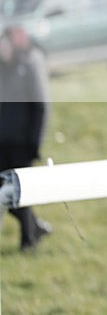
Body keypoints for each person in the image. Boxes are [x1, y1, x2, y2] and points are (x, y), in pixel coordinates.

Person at [0, 25, 52, 251]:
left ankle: (29, 240)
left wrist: (35, 144)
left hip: (22, 144)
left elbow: (41, 107)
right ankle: (35, 228)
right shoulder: (4, 67)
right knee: (5, 192)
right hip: (2, 142)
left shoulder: (31, 63)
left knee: (19, 194)